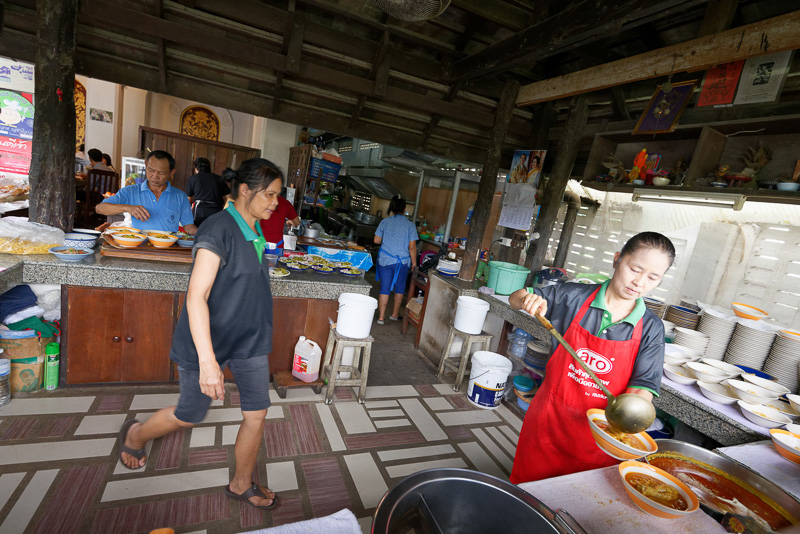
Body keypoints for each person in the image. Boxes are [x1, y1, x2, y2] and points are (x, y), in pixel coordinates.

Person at [117, 158, 283, 510]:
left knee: (257, 412)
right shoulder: (218, 229)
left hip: (248, 338)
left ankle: (241, 484)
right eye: (269, 194)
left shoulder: (254, 228)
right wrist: (209, 364)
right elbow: (196, 297)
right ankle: (136, 434)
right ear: (244, 190)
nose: (275, 202)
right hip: (206, 340)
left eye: (277, 195)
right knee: (190, 414)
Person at [508, 232, 674, 483]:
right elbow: (516, 297)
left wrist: (632, 415)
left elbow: (643, 388)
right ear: (617, 259)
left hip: (599, 438)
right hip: (548, 424)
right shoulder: (571, 296)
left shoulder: (651, 328)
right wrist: (526, 299)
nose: (639, 282)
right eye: (635, 269)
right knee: (528, 493)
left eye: (652, 277)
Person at [97, 150, 198, 235]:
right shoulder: (131, 191)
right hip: (139, 246)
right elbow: (100, 208)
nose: (154, 176)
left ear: (171, 173)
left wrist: (204, 234)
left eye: (161, 173)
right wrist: (127, 207)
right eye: (151, 170)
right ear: (146, 165)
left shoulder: (180, 196)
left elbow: (188, 226)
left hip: (168, 249)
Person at [373, 195, 418, 324]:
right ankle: (394, 314)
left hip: (386, 260)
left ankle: (381, 317)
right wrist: (414, 264)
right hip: (402, 263)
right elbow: (412, 246)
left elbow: (376, 240)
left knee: (385, 288)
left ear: (391, 208)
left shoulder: (385, 222)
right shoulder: (410, 225)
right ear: (404, 209)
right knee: (399, 288)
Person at [186, 157, 230, 227]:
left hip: (199, 211)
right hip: (216, 210)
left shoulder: (193, 179)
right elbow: (229, 198)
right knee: (214, 232)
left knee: (197, 232)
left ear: (196, 168)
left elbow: (188, 200)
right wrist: (225, 211)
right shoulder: (219, 179)